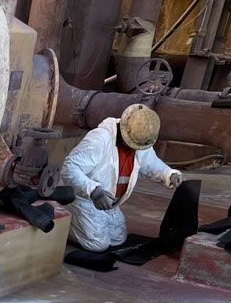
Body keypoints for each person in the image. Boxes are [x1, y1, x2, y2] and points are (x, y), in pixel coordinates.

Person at [61, 104, 183, 252]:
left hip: (109, 203)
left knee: (118, 240)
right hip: (84, 199)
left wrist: (169, 174)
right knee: (98, 244)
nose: (135, 148)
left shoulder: (139, 140)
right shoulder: (100, 139)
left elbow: (151, 163)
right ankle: (64, 223)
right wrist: (93, 191)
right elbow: (69, 168)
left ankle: (85, 225)